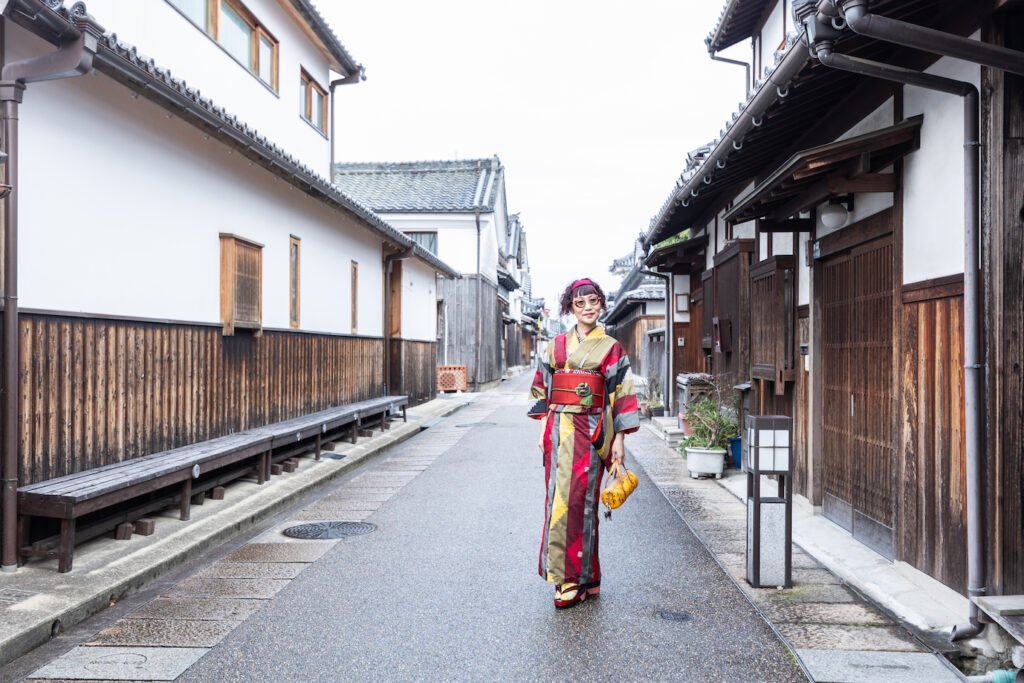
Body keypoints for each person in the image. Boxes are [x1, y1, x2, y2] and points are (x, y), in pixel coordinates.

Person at [528, 277, 640, 608]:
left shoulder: (612, 348)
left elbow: (622, 392)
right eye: (580, 304)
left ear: (601, 305)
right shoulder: (556, 345)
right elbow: (542, 387)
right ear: (570, 308)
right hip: (558, 427)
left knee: (581, 502)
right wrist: (542, 427)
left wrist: (619, 438)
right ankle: (581, 576)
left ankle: (572, 579)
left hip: (593, 430)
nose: (588, 308)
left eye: (593, 302)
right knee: (560, 501)